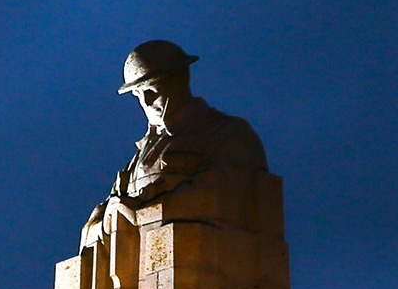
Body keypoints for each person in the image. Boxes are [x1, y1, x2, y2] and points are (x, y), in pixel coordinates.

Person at [84, 40, 266, 242]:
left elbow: (220, 194)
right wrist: (103, 222)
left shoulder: (228, 133)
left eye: (152, 90)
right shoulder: (138, 158)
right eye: (137, 94)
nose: (145, 102)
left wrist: (141, 213)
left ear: (180, 81)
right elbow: (103, 213)